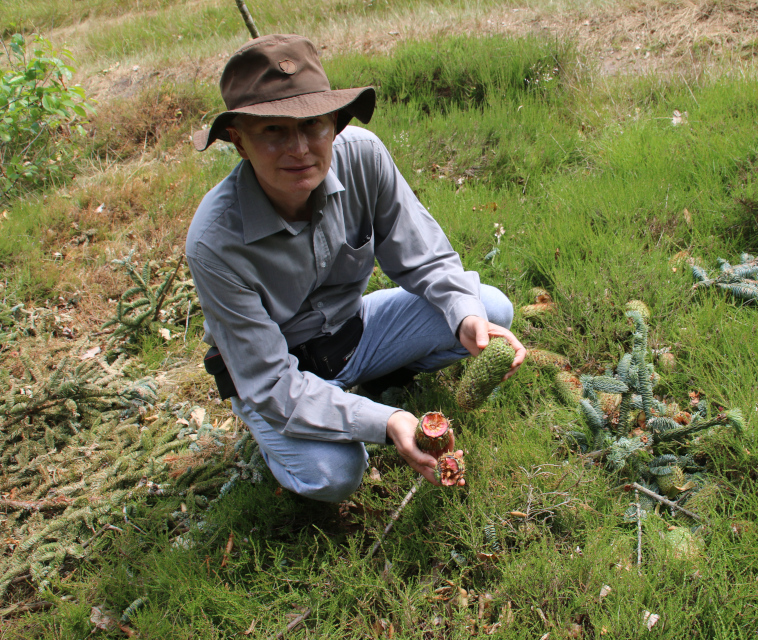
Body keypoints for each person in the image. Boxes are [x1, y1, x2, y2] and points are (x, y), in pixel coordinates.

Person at [186, 34, 525, 502]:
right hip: (280, 377)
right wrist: (384, 422)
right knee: (335, 475)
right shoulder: (215, 241)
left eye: (313, 125)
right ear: (238, 141)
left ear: (336, 124)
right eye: (273, 131)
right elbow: (272, 382)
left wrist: (465, 317)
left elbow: (425, 256)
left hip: (355, 333)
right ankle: (277, 435)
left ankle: (373, 380)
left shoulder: (363, 156)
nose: (300, 148)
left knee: (489, 309)